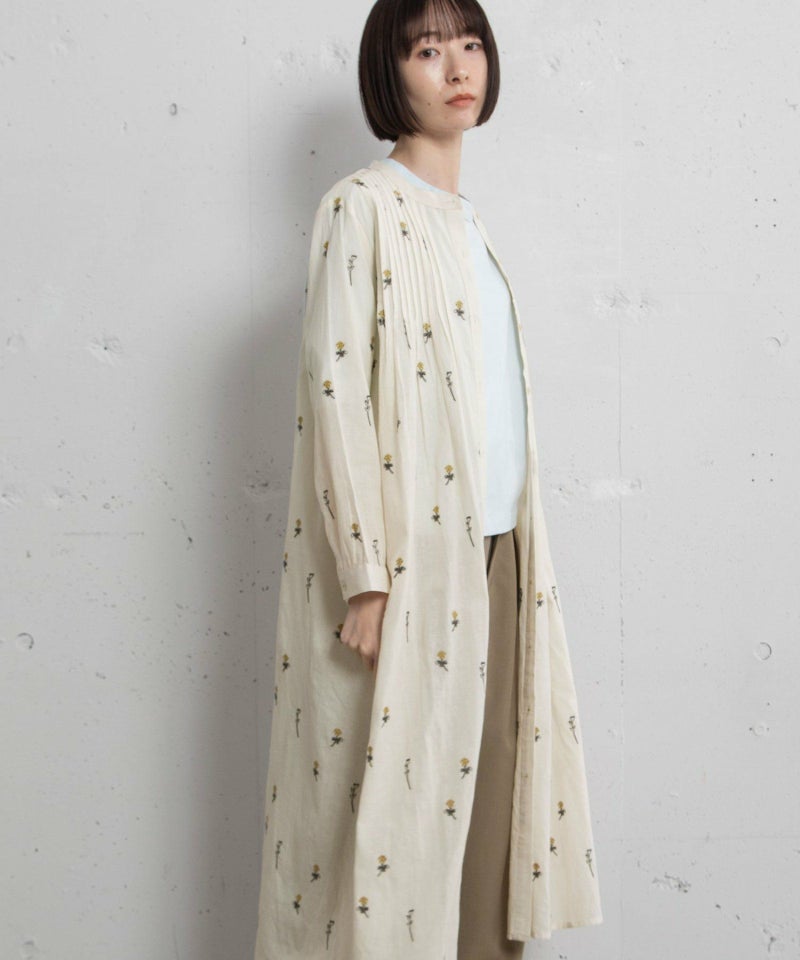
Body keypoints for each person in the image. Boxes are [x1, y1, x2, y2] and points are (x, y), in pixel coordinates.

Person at [253, 1, 603, 958]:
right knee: (386, 826)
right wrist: (365, 575)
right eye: (428, 48)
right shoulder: (361, 207)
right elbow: (335, 394)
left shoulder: (470, 225)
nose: (458, 66)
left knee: (490, 818)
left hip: (499, 553)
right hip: (409, 567)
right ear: (390, 71)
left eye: (471, 43)